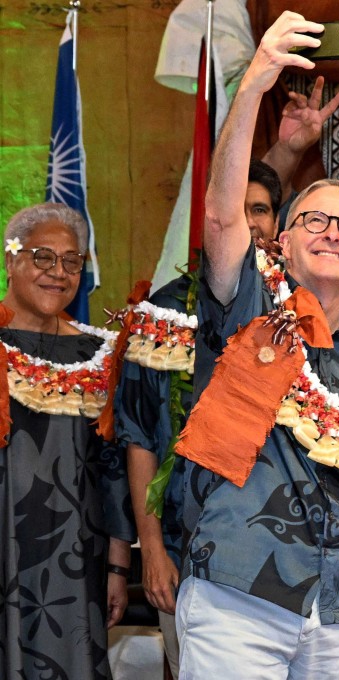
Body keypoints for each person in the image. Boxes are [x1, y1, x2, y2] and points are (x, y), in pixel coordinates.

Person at [170, 12, 339, 679]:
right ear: (281, 240)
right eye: (315, 220)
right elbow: (221, 215)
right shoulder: (248, 307)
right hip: (239, 591)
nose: (334, 233)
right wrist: (255, 83)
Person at [116, 93, 336, 676]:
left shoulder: (310, 308)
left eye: (261, 210)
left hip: (291, 553)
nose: (250, 221)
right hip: (184, 537)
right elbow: (139, 435)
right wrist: (151, 548)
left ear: (279, 223)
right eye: (239, 210)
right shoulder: (166, 311)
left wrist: (289, 151)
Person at [1, 203, 134, 680]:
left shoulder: (99, 355)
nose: (58, 272)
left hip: (75, 558)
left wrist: (118, 565)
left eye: (72, 260)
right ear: (11, 258)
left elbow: (114, 465)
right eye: (43, 257)